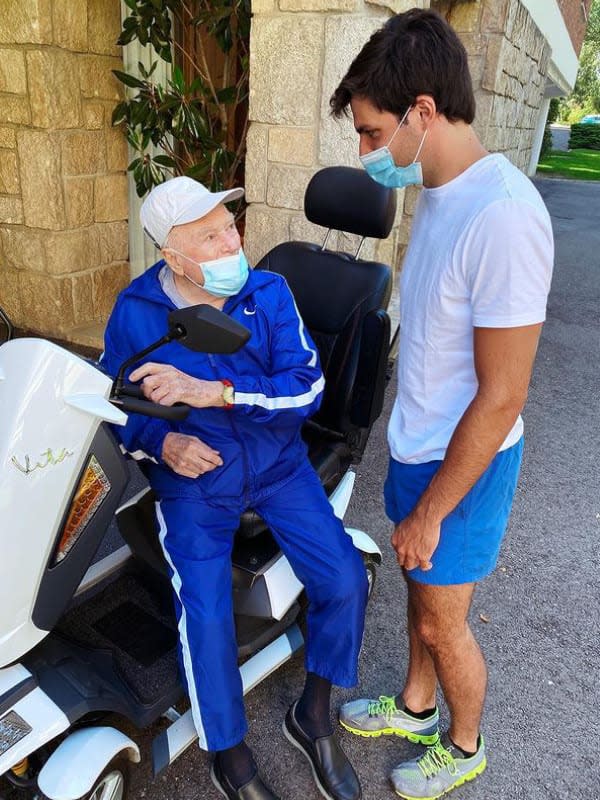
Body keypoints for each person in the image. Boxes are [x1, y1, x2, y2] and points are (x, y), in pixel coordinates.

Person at [330, 9, 553, 800]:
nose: (364, 151)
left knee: (441, 620)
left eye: (370, 131)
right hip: (419, 441)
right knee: (421, 597)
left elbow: (502, 396)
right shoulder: (440, 187)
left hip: (468, 460)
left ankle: (463, 746)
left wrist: (430, 511)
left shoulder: (504, 215)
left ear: (422, 113)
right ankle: (417, 708)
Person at [100, 176, 367, 800]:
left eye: (230, 224)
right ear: (173, 255)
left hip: (278, 466)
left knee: (345, 578)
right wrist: (162, 444)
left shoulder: (268, 293)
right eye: (211, 235)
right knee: (207, 610)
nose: (233, 240)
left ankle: (314, 712)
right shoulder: (136, 314)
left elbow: (307, 389)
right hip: (196, 482)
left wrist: (217, 394)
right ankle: (229, 752)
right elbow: (119, 408)